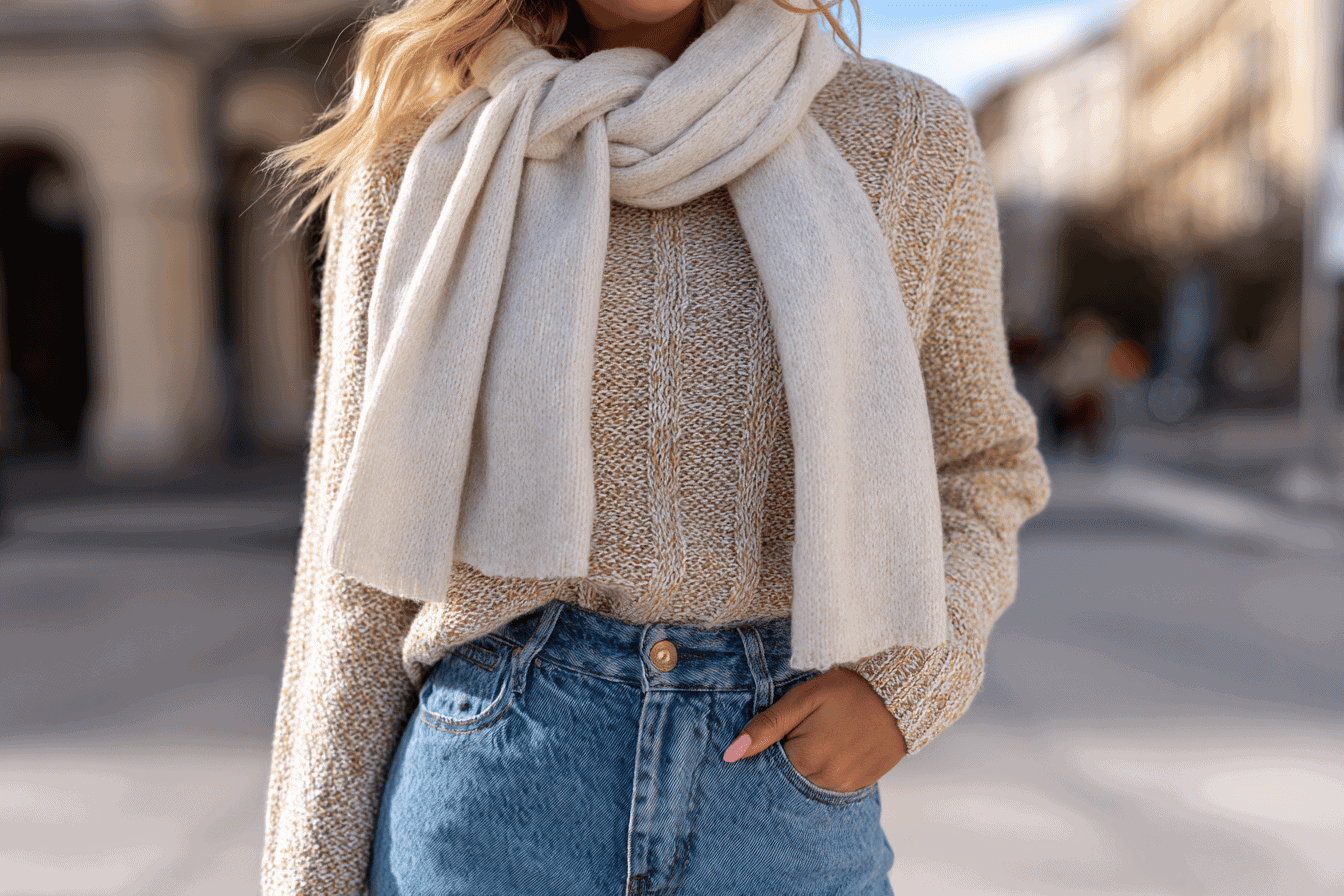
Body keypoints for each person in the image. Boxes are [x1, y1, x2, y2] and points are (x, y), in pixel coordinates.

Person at [262, 0, 1049, 892]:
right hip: (492, 790)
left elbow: (985, 467)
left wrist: (908, 688)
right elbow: (356, 573)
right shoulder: (430, 153)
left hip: (775, 800)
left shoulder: (908, 138)